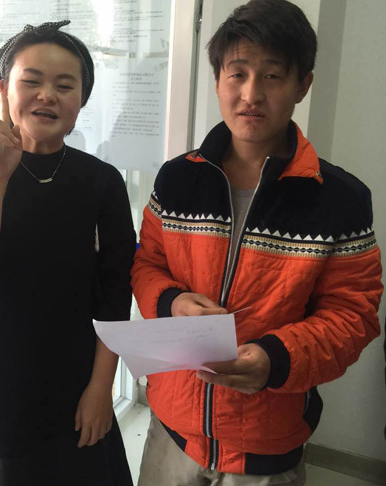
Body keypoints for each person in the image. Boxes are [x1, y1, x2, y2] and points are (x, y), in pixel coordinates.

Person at [131, 1, 383, 485]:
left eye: (272, 76)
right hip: (171, 428)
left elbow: (353, 316)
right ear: (218, 80)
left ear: (302, 84)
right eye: (238, 73)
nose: (251, 94)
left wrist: (275, 359)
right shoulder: (177, 179)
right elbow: (147, 264)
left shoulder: (340, 199)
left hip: (267, 443)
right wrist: (172, 302)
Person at [0, 20, 135, 486]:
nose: (47, 96)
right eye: (32, 81)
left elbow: (115, 292)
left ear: (82, 99)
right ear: (4, 89)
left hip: (74, 376)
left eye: (65, 85)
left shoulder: (101, 182)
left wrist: (102, 387)